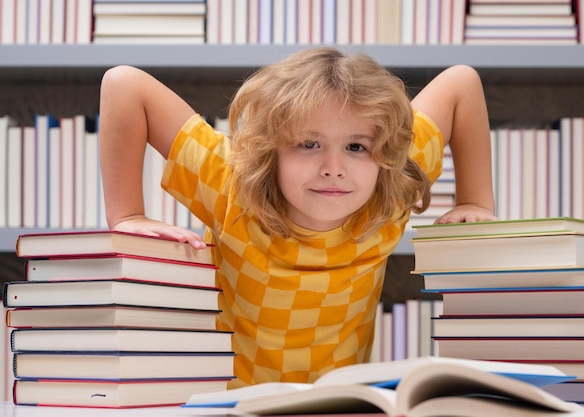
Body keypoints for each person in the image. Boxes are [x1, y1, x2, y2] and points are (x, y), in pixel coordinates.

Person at [99, 47, 497, 388]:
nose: (334, 167)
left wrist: (475, 201)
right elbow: (124, 83)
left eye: (356, 146)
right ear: (269, 150)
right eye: (309, 143)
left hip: (339, 402)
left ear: (383, 154)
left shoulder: (390, 188)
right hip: (226, 401)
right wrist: (128, 214)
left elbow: (462, 82)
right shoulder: (230, 184)